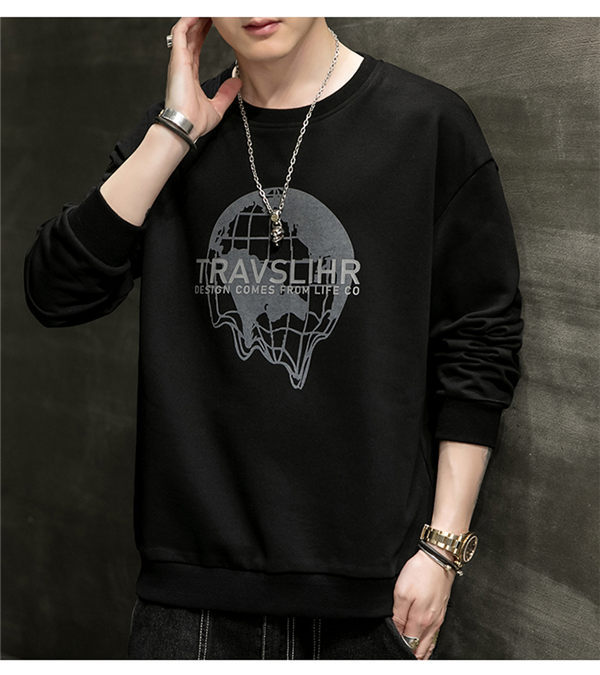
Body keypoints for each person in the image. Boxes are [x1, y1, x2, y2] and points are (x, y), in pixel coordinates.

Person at [23, 17, 524, 660]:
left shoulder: (425, 125)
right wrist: (173, 135)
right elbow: (56, 293)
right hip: (191, 604)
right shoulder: (176, 135)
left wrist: (442, 550)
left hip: (374, 601)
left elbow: (480, 337)